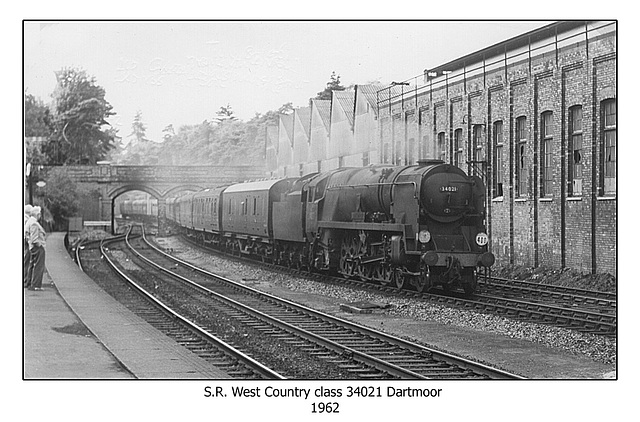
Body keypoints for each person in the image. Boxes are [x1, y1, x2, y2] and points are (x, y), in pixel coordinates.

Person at [27, 206, 46, 291]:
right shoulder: (34, 223)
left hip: (33, 247)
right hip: (37, 248)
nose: (40, 215)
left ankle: (32, 283)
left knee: (34, 265)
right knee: (39, 266)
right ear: (38, 214)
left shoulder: (30, 221)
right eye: (40, 214)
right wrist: (40, 245)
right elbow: (34, 238)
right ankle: (36, 285)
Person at [23, 204, 33, 287]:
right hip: (27, 241)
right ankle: (26, 278)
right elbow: (27, 232)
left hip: (25, 240)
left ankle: (26, 277)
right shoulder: (27, 220)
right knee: (27, 259)